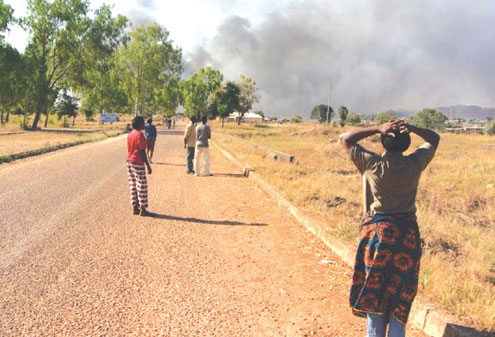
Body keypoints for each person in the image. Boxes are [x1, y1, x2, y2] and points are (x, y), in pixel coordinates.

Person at [340, 119, 440, 337]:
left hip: (378, 235)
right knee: (400, 296)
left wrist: (378, 128)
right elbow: (434, 139)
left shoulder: (371, 163)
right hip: (407, 236)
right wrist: (412, 127)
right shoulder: (415, 163)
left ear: (383, 142)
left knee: (375, 292)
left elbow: (345, 138)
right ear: (407, 144)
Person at [127, 116, 153, 216]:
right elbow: (142, 151)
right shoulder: (140, 135)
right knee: (142, 185)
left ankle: (135, 207)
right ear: (139, 124)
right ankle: (142, 209)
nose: (144, 125)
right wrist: (148, 165)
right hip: (138, 161)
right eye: (143, 123)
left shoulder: (130, 134)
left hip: (130, 162)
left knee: (133, 184)